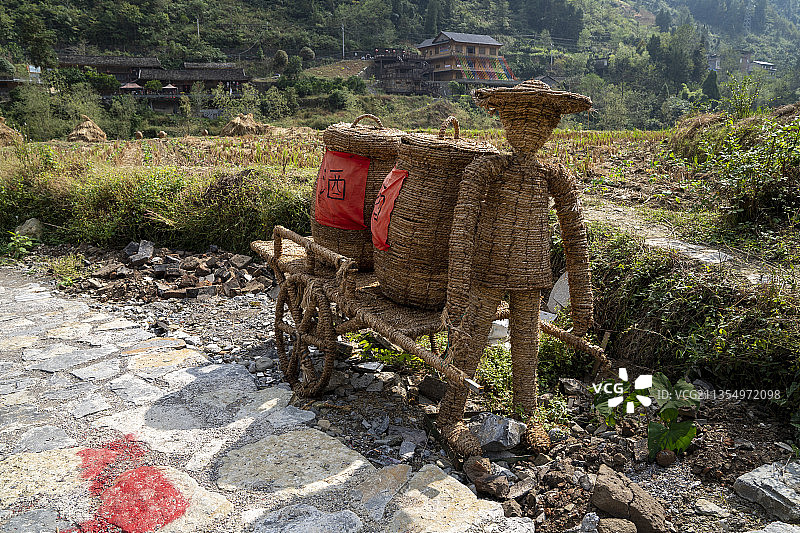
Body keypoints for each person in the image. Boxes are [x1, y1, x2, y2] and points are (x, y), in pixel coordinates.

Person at [438, 79, 595, 456]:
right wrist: (456, 291)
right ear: (505, 121)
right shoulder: (485, 170)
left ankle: (528, 412)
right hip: (488, 268)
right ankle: (450, 415)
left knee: (527, 345)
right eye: (521, 121)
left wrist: (582, 301)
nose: (531, 131)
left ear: (552, 126)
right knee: (472, 337)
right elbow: (462, 229)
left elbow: (576, 239)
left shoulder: (552, 177)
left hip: (532, 271)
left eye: (542, 123)